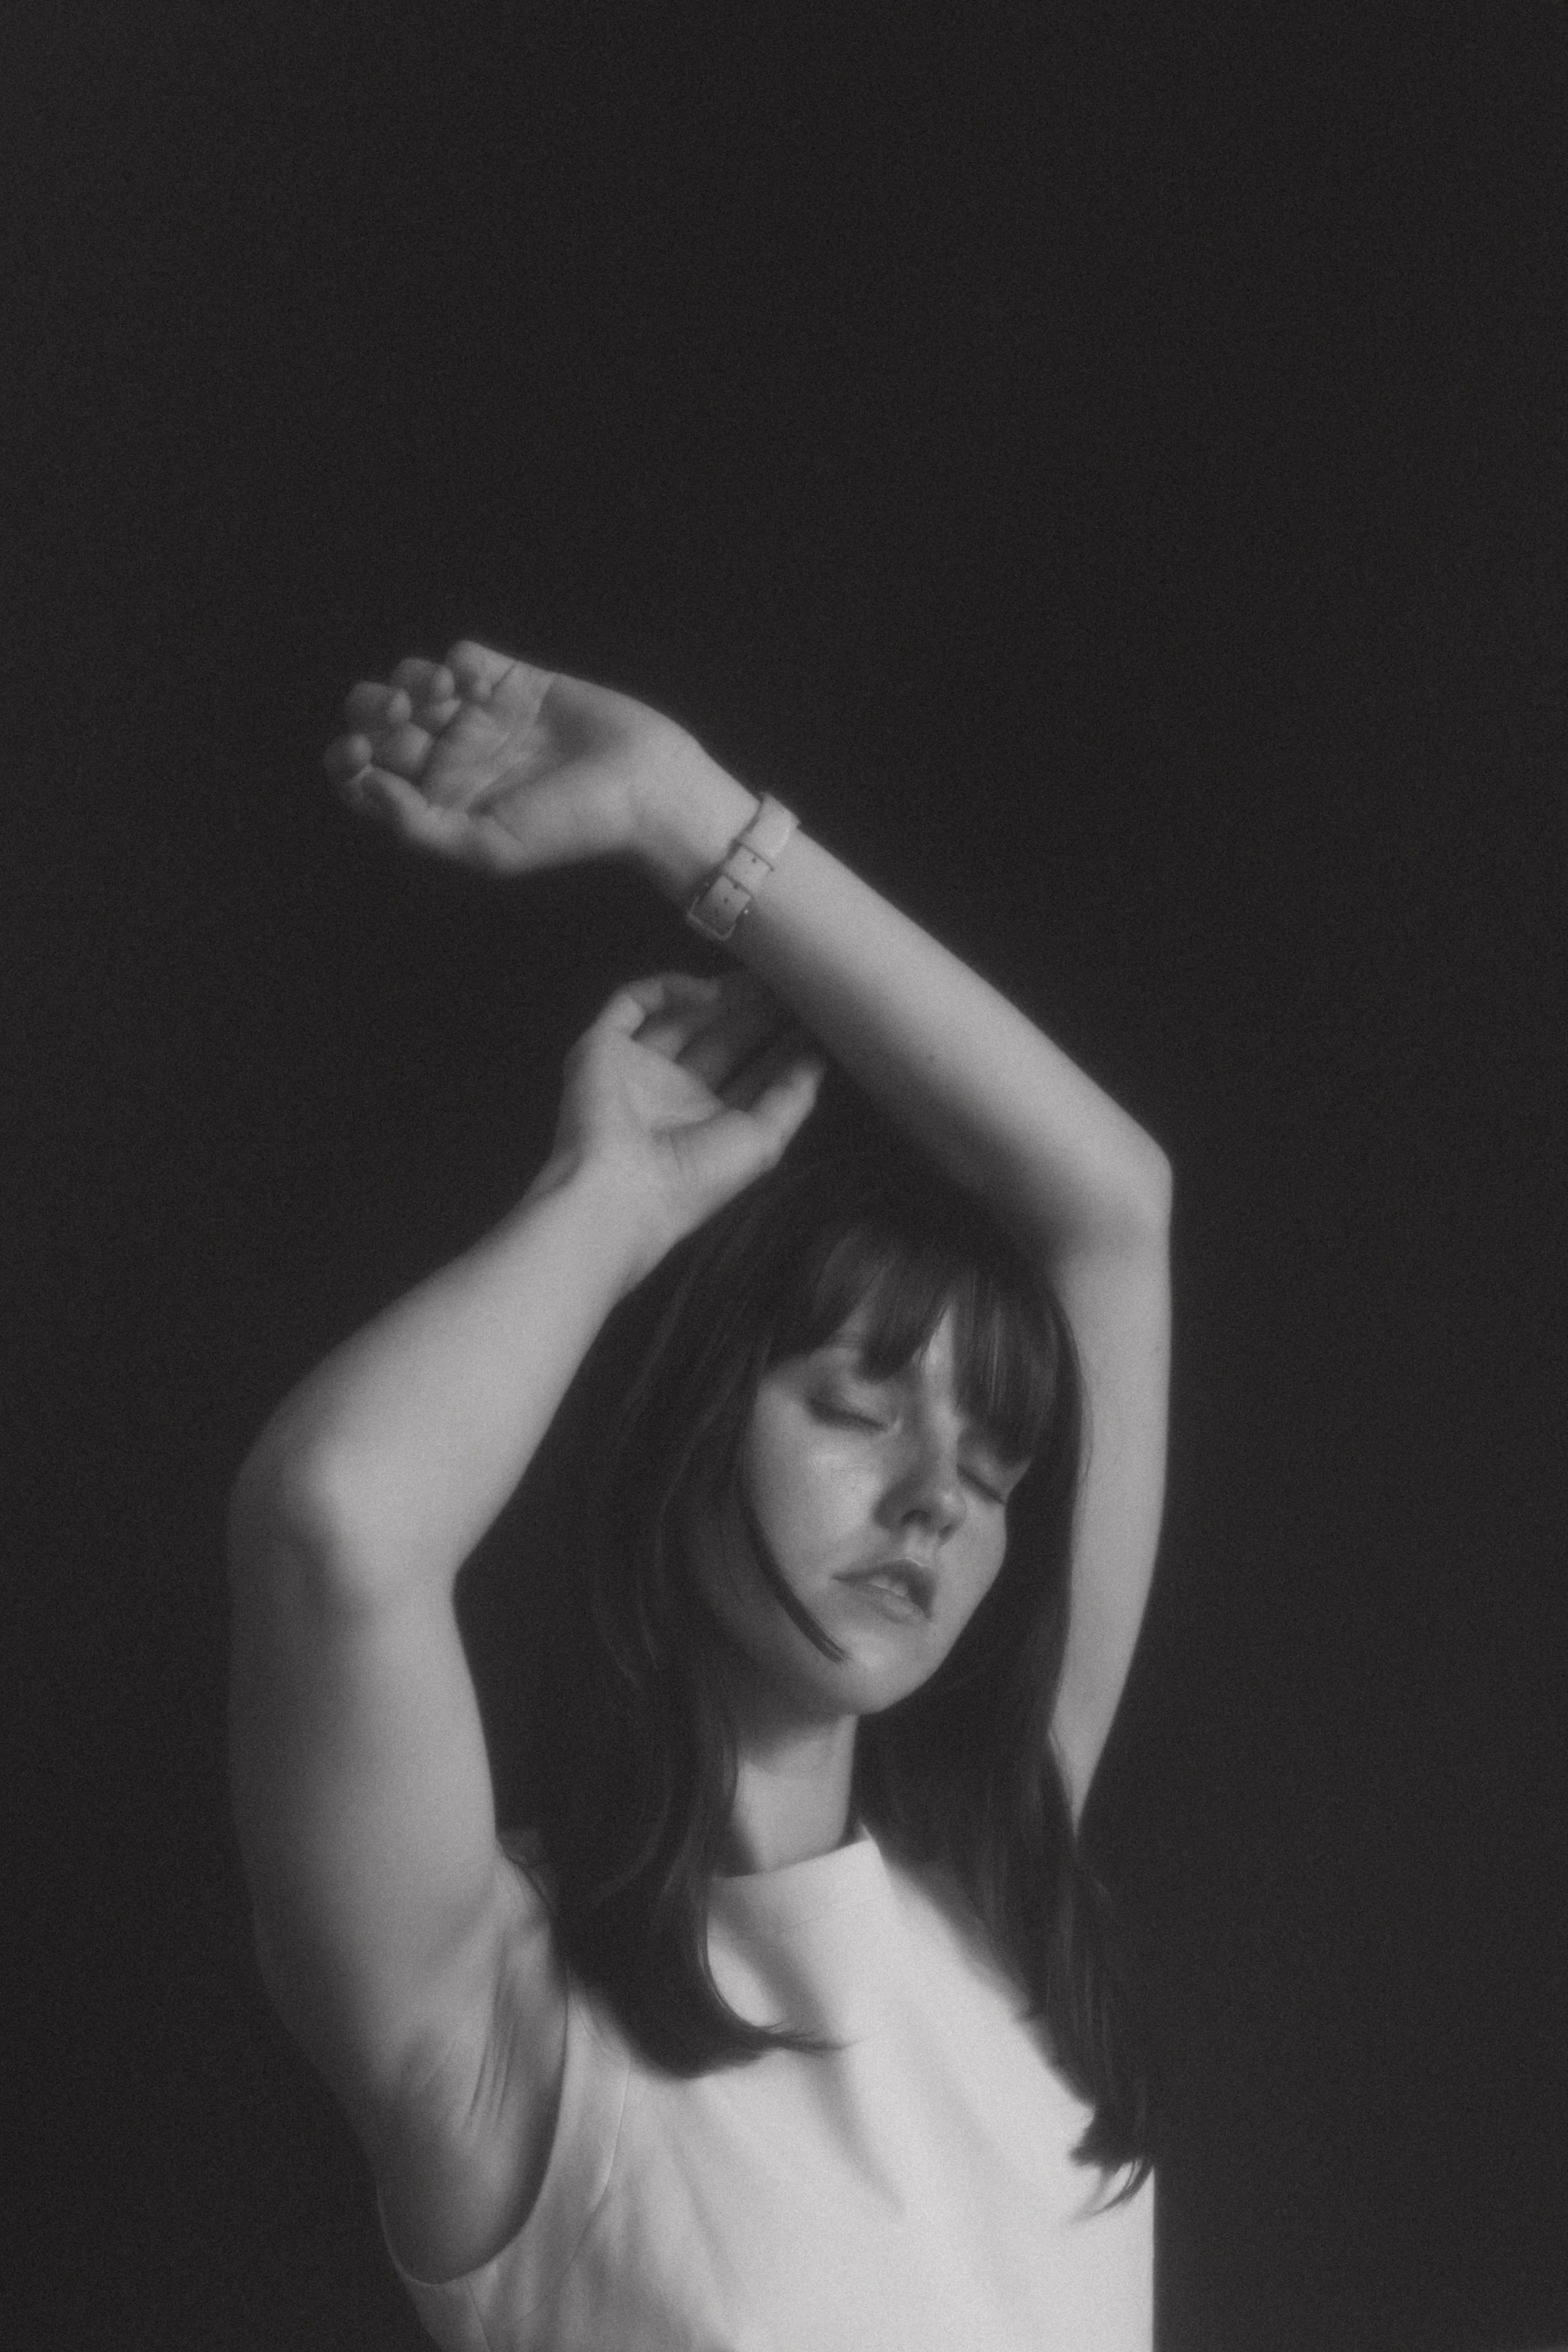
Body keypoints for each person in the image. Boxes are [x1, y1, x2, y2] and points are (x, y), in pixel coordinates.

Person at [226, 641, 1173, 2350]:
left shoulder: (995, 1893)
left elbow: (1111, 1202)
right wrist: (613, 1199)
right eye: (854, 1403)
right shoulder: (493, 2008)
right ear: (684, 1441)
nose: (931, 1504)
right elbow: (335, 1520)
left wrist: (686, 811)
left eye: (987, 1463)